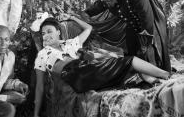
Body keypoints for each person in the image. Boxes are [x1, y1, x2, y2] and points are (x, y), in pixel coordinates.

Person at [33, 14, 170, 117]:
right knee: (129, 61)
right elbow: (39, 86)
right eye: (43, 34)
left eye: (49, 31)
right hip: (75, 75)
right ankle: (165, 75)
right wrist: (35, 114)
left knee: (126, 63)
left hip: (87, 71)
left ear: (58, 32)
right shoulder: (42, 54)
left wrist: (72, 17)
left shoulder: (69, 44)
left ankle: (156, 80)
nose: (45, 36)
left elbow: (88, 28)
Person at [82, 0, 171, 72]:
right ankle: (136, 74)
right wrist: (76, 16)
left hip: (152, 23)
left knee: (151, 52)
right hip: (132, 26)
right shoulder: (105, 0)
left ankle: (159, 74)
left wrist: (145, 42)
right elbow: (91, 10)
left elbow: (146, 17)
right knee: (131, 52)